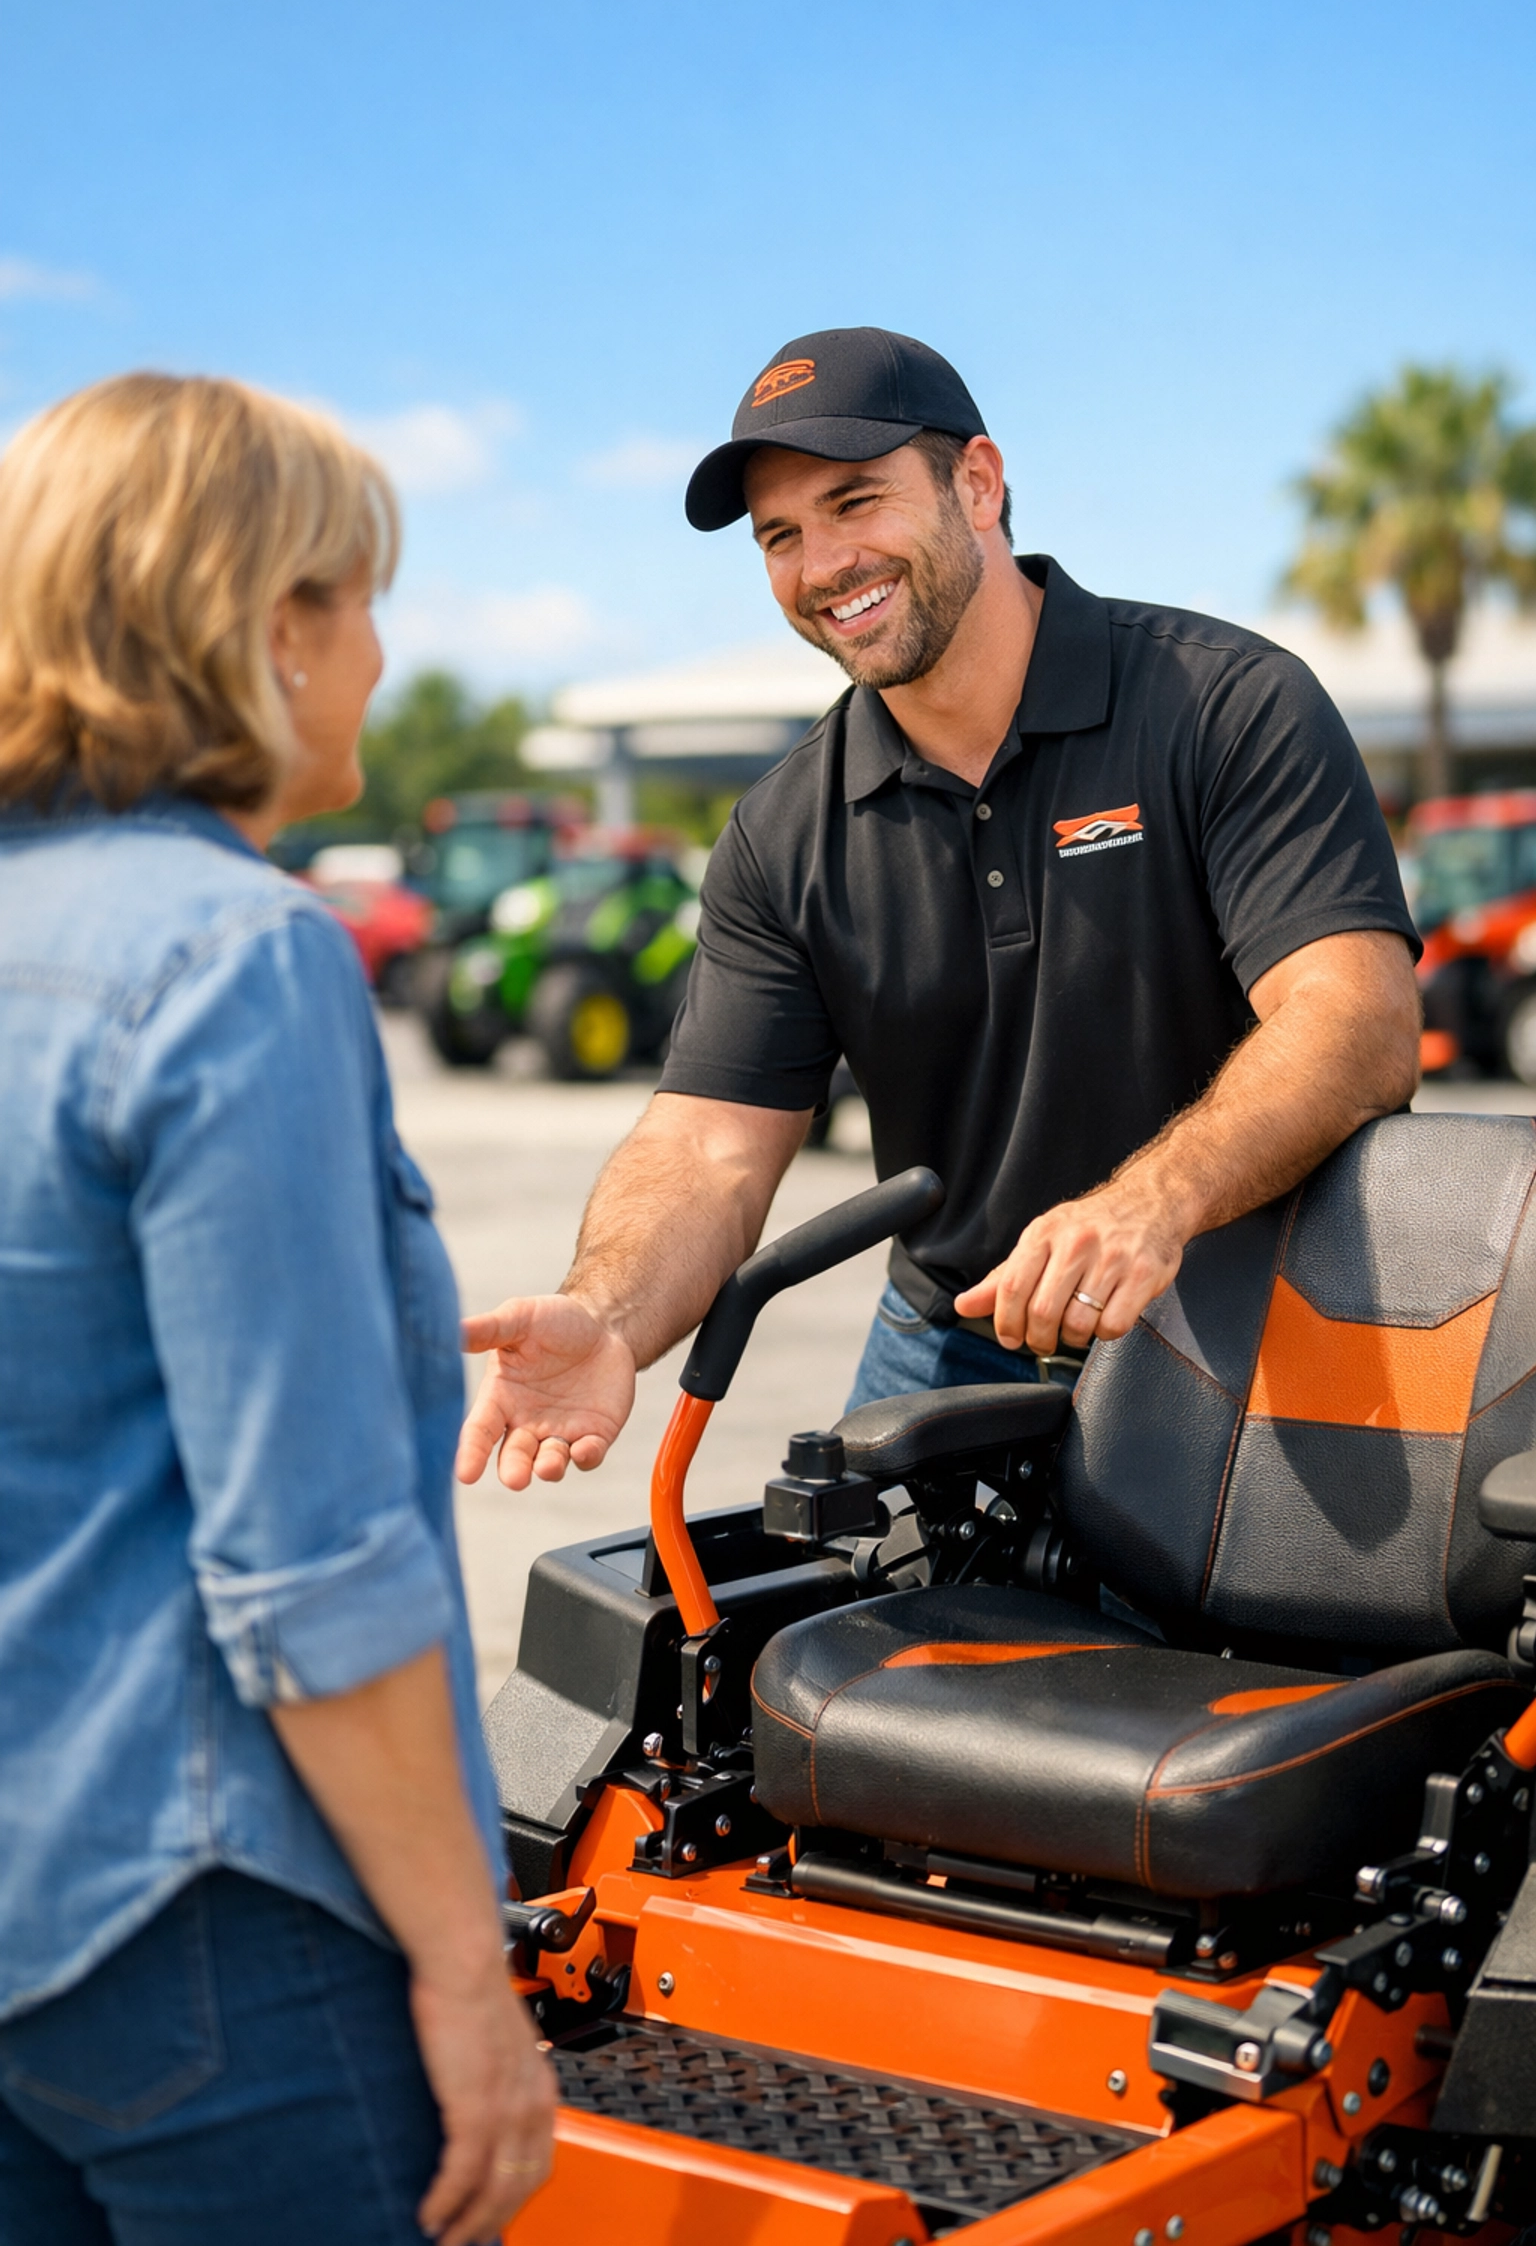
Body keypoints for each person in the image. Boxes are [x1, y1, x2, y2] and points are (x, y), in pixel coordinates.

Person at [456, 325, 1421, 1494]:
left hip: (1253, 1318)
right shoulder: (784, 832)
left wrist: (1151, 1202)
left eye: (854, 501)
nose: (822, 564)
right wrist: (607, 1313)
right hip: (956, 1330)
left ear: (978, 482)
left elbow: (1355, 1017)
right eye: (780, 536)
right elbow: (710, 1144)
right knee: (812, 1608)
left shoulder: (1223, 705)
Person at [0, 375, 554, 2246]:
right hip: (217, 1924)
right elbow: (311, 1571)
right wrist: (466, 1966)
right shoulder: (236, 957)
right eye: (362, 597)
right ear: (264, 622)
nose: (382, 652)